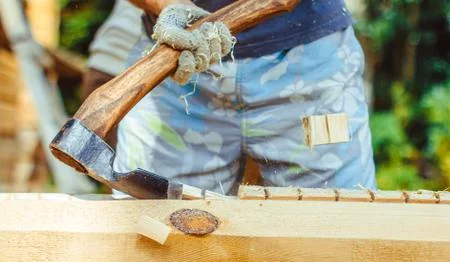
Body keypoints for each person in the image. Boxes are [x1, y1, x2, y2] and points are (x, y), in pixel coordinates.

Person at [115, 0, 377, 195]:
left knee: (340, 228)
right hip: (176, 65)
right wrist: (169, 6)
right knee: (151, 235)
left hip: (313, 75)